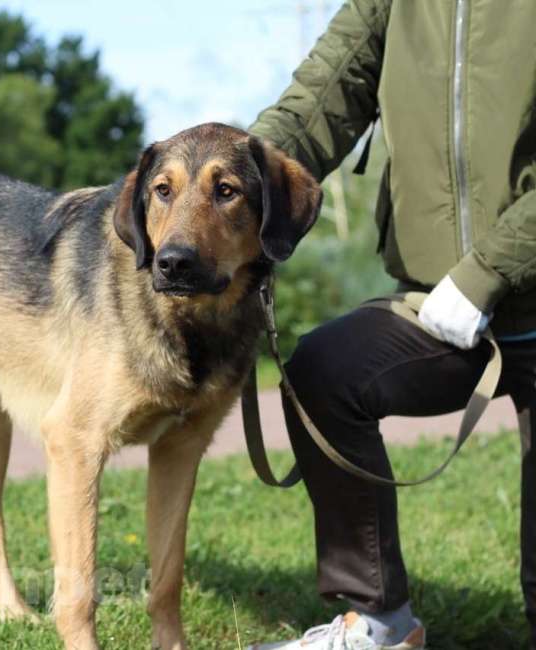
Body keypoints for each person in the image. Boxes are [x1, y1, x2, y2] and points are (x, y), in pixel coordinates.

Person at [245, 2, 536, 649]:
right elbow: (319, 102)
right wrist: (226, 189)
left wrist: (488, 269)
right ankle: (380, 620)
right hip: (440, 305)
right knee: (327, 369)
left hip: (488, 285)